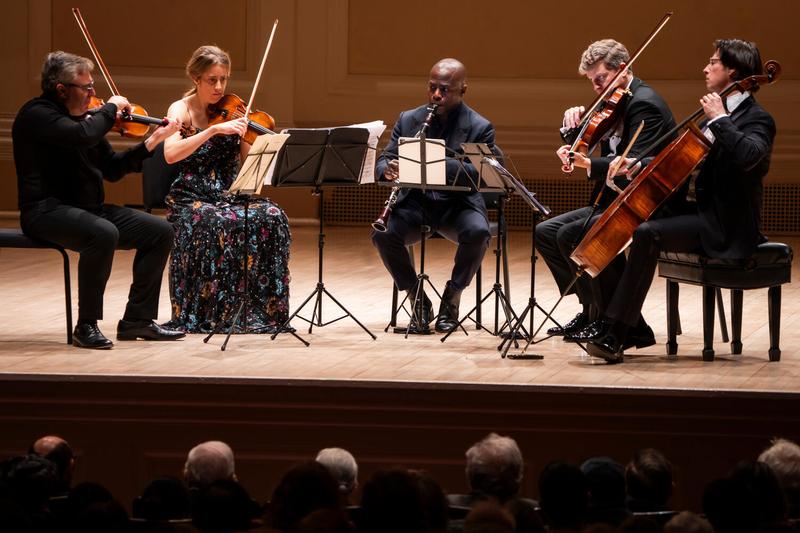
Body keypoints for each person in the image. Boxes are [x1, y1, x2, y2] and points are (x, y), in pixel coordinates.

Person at [586, 39, 775, 363]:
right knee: (625, 223)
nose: (705, 68)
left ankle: (616, 331)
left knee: (648, 233)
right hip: (699, 214)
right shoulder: (713, 114)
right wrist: (639, 166)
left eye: (713, 63)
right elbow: (679, 161)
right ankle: (617, 323)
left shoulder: (755, 118)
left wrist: (720, 121)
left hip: (727, 225)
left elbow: (751, 159)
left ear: (733, 70)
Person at [12, 51, 185, 349]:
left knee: (160, 232)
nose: (93, 93)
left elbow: (113, 169)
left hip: (88, 210)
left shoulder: (85, 121)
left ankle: (137, 320)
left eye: (93, 86)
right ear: (61, 89)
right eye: (86, 88)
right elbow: (80, 136)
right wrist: (110, 108)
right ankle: (86, 325)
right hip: (45, 212)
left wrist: (153, 140)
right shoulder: (37, 116)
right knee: (103, 233)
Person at [536, 39, 676, 346]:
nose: (597, 88)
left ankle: (617, 321)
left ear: (622, 69)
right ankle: (591, 309)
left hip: (645, 203)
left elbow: (634, 165)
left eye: (600, 79)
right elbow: (581, 139)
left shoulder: (644, 104)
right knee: (546, 232)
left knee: (574, 235)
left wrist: (590, 164)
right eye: (592, 82)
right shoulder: (614, 101)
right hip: (618, 200)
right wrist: (569, 125)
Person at [162, 45, 291, 333]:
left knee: (272, 214)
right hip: (191, 196)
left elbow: (247, 168)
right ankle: (212, 312)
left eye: (224, 79)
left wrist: (250, 138)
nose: (220, 87)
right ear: (196, 78)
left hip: (227, 194)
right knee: (216, 222)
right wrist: (212, 131)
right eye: (212, 80)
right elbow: (170, 154)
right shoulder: (180, 109)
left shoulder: (232, 110)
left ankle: (260, 311)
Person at [372, 58, 496, 334]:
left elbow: (482, 174)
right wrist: (388, 170)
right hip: (417, 203)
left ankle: (452, 298)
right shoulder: (409, 119)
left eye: (444, 90)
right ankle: (417, 298)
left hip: (458, 206)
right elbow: (386, 158)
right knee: (383, 234)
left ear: (463, 90)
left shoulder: (479, 126)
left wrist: (435, 160)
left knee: (478, 232)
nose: (436, 95)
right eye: (432, 88)